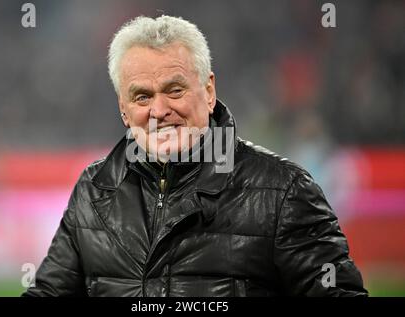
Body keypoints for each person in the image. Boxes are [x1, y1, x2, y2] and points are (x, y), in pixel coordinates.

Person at [23, 15, 367, 297]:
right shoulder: (94, 189)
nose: (159, 110)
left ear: (209, 91)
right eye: (142, 97)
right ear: (124, 111)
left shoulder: (284, 190)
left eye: (174, 90)